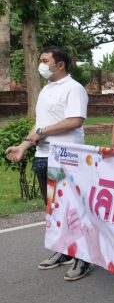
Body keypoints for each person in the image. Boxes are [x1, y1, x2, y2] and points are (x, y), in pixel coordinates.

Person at [5, 46, 94, 281]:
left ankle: (83, 258)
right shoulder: (46, 89)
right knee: (53, 208)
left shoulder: (74, 89)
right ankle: (64, 250)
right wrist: (24, 146)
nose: (41, 65)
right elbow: (39, 123)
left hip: (67, 157)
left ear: (60, 64)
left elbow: (75, 120)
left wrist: (43, 131)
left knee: (71, 208)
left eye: (45, 61)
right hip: (44, 155)